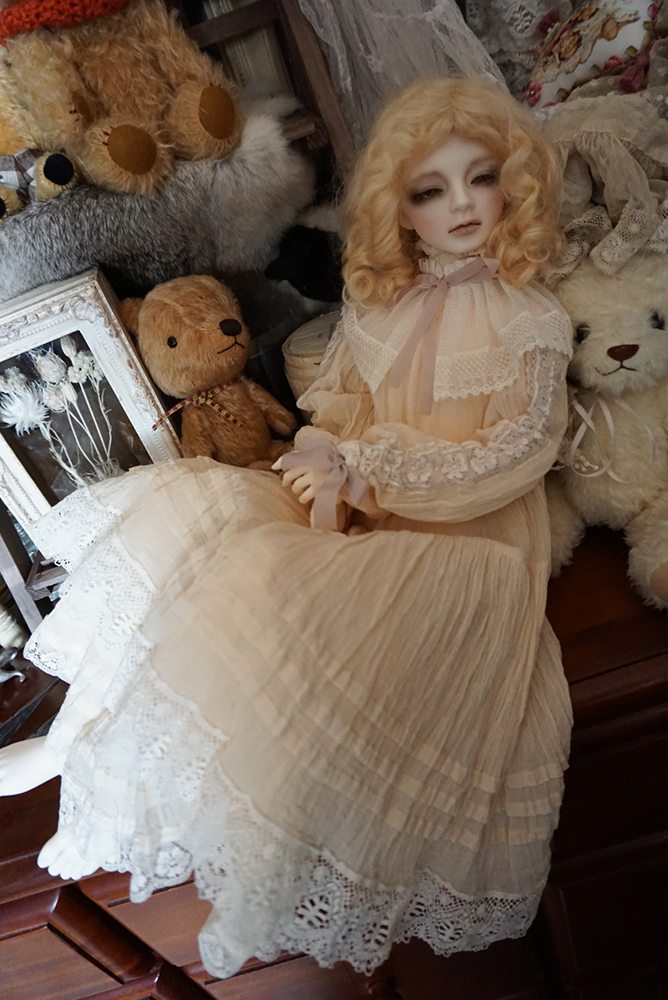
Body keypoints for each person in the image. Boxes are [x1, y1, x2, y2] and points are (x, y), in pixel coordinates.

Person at [0, 76, 574, 979]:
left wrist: (372, 470)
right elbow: (337, 407)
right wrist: (324, 457)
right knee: (207, 528)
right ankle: (86, 731)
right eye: (430, 190)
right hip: (352, 506)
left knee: (318, 621)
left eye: (482, 178)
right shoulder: (383, 305)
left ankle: (253, 867)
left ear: (519, 184)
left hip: (462, 538)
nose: (461, 205)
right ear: (399, 208)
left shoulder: (530, 317)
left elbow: (518, 451)